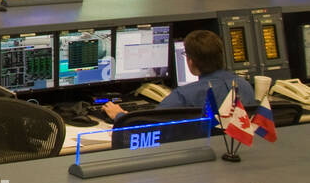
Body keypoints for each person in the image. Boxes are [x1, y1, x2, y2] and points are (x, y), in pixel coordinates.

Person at [104, 30, 254, 120]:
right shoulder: (245, 86)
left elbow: (149, 128)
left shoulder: (184, 96)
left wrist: (120, 116)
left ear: (191, 62)